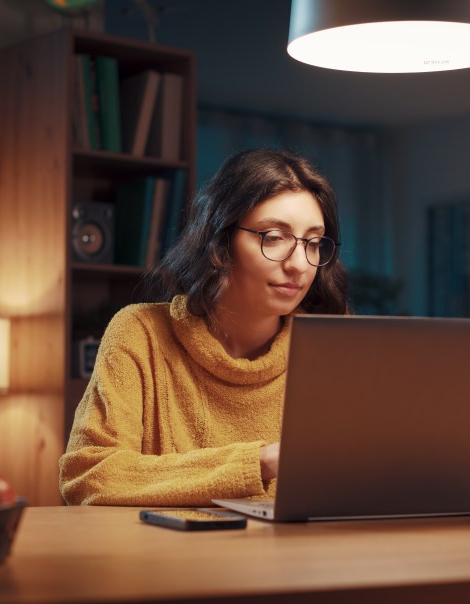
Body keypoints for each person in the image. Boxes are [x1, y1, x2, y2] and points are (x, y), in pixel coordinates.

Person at [59, 148, 349, 506]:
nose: (299, 265)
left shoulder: (330, 350)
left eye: (313, 243)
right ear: (219, 244)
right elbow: (89, 475)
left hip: (296, 558)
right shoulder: (140, 332)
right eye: (274, 237)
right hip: (169, 557)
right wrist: (258, 464)